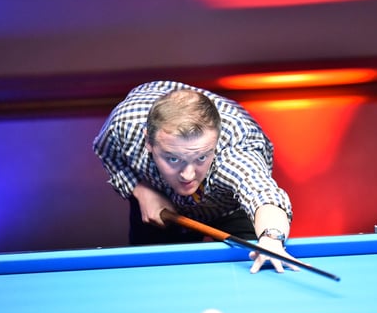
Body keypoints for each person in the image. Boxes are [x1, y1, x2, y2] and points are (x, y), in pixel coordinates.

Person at [93, 80, 299, 274]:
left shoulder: (236, 148)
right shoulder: (125, 125)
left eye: (201, 157)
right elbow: (107, 152)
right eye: (173, 159)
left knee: (259, 262)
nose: (187, 175)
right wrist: (141, 190)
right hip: (161, 204)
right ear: (148, 140)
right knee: (151, 276)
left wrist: (271, 237)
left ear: (216, 141)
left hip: (229, 207)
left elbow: (262, 192)